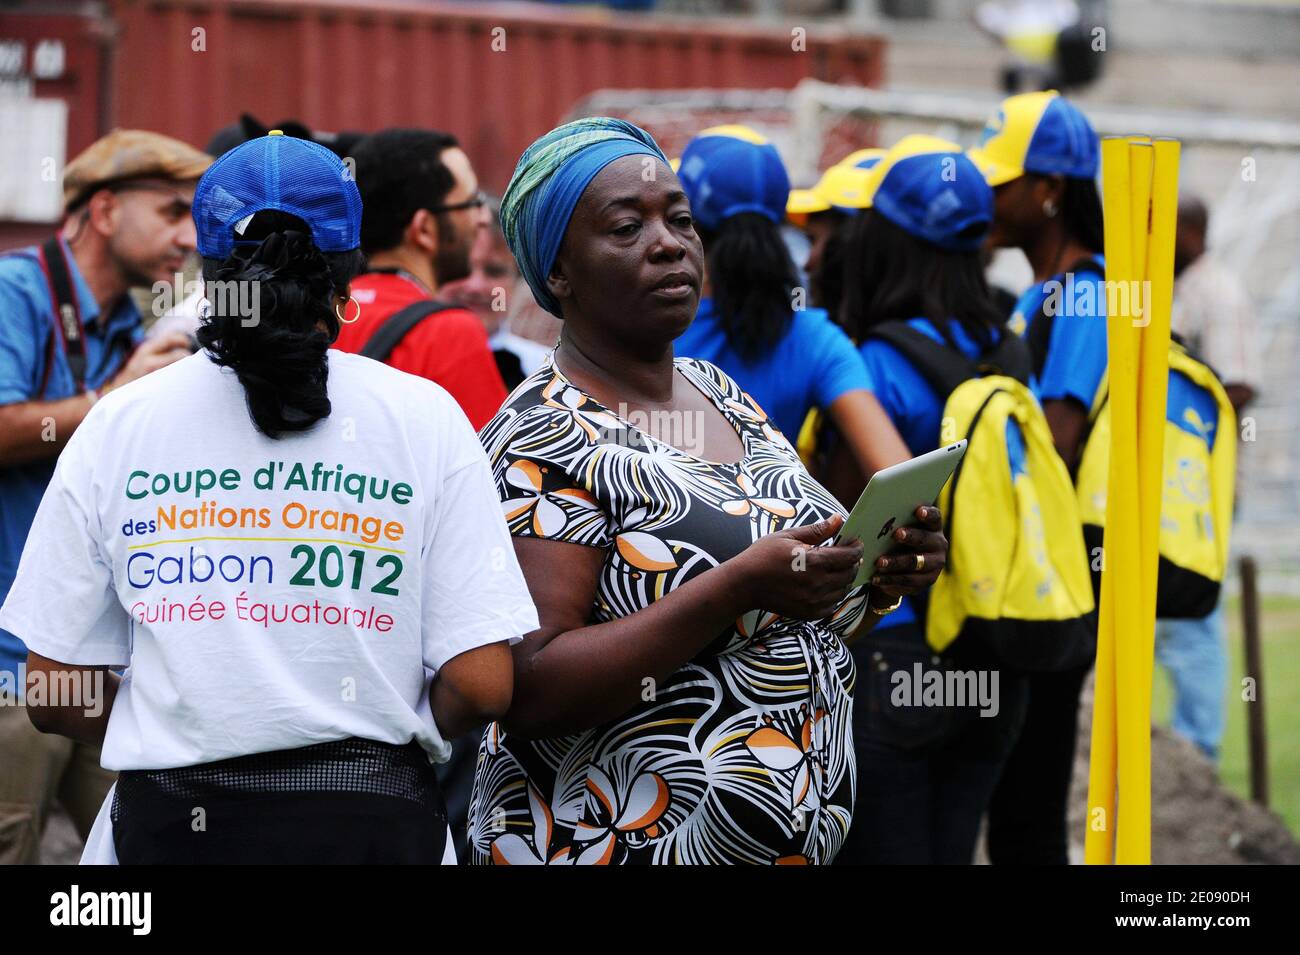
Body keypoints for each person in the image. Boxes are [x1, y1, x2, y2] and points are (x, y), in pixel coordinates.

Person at [0, 131, 535, 864]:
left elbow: (55, 690)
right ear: (349, 269)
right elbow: (481, 681)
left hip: (165, 832)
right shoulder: (425, 416)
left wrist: (178, 716)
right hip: (381, 829)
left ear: (207, 269)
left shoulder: (121, 420)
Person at [464, 117, 949, 866]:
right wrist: (732, 587)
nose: (668, 242)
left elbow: (780, 633)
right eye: (627, 227)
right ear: (557, 272)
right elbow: (526, 686)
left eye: (680, 220)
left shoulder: (719, 393)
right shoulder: (543, 434)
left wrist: (876, 579)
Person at [0, 129, 210, 863]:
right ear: (105, 210)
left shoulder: (130, 316)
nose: (189, 236)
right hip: (11, 663)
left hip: (97, 667)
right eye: (173, 211)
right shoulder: (14, 292)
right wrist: (118, 395)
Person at [829, 138, 1032, 863]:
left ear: (888, 239)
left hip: (901, 650)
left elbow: (850, 513)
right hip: (996, 652)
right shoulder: (1011, 349)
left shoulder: (873, 361)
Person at [969, 89, 1103, 864]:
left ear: (1049, 189)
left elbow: (1058, 435)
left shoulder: (1086, 294)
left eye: (1000, 180)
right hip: (1035, 566)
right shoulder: (1036, 294)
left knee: (1029, 804)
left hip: (1063, 574)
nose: (983, 196)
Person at [673, 126, 911, 480]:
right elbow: (899, 476)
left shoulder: (646, 328)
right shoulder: (815, 338)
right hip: (782, 529)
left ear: (686, 221)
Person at [1149, 193, 1260, 763]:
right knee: (1153, 616)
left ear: (1187, 230)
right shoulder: (1170, 289)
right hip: (1165, 488)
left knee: (1190, 622)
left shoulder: (1218, 292)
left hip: (1199, 492)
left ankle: (1199, 752)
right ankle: (1157, 753)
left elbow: (1237, 384)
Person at [332, 128, 508, 430]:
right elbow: (491, 466)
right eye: (470, 203)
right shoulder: (449, 332)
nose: (483, 218)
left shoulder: (317, 310)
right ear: (424, 229)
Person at [440, 193, 551, 392]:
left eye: (494, 271)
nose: (475, 286)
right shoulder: (395, 362)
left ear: (518, 279)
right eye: (461, 268)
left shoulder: (548, 377)